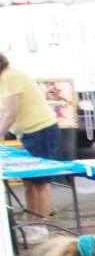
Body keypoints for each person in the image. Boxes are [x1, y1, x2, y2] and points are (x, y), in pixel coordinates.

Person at [0, 51, 60, 220]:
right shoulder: (3, 80)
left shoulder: (11, 77)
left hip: (41, 131)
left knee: (40, 182)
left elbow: (11, 113)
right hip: (27, 133)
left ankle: (41, 224)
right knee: (29, 180)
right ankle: (31, 222)